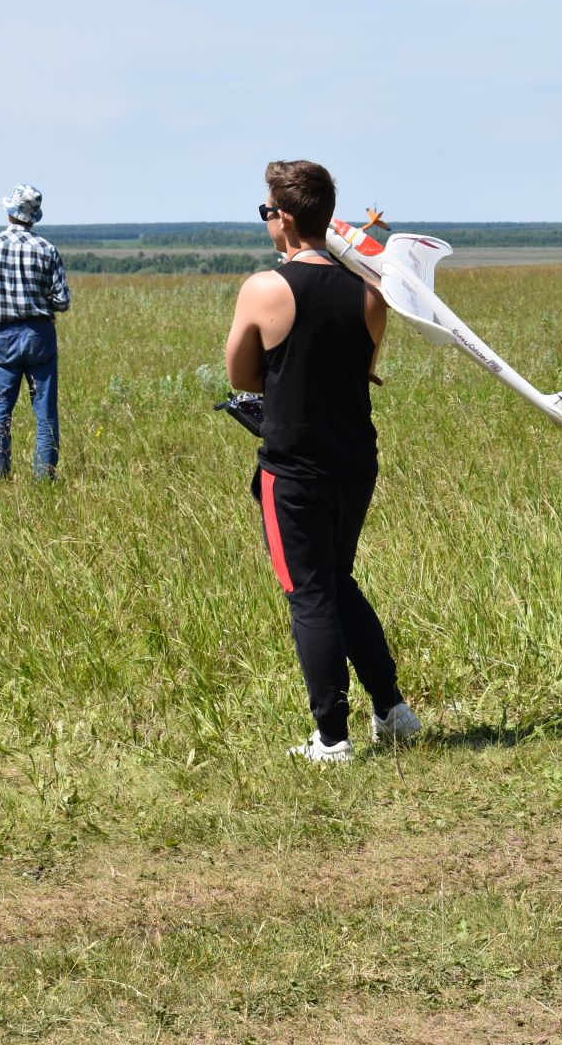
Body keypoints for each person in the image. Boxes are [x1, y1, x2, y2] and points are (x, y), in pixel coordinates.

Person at [225, 160, 419, 763]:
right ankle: (393, 711)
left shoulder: (265, 288)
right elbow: (360, 368)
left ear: (283, 216)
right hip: (355, 463)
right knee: (337, 582)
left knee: (308, 594)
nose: (266, 221)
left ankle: (331, 738)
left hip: (294, 470)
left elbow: (241, 375)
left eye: (266, 211)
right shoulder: (370, 290)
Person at [0, 185, 70, 479]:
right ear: (34, 217)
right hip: (39, 336)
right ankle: (44, 479)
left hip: (3, 338)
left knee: (0, 412)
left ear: (10, 211)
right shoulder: (47, 249)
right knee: (45, 414)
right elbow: (62, 301)